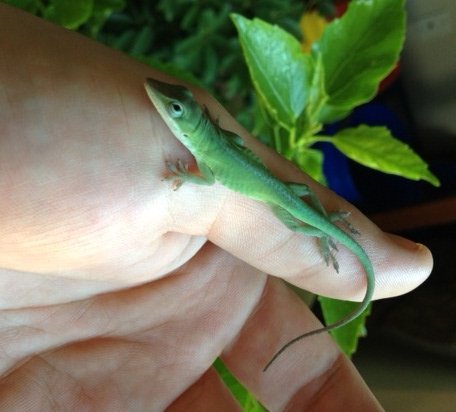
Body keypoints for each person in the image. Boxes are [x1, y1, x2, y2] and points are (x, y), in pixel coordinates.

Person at [0, 4, 432, 411]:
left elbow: (208, 179)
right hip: (285, 192)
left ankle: (326, 234)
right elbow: (233, 144)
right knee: (300, 202)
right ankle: (329, 229)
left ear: (189, 122)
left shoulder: (206, 154)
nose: (162, 103)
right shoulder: (210, 143)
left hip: (284, 201)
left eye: (174, 108)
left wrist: (183, 177)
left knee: (298, 218)